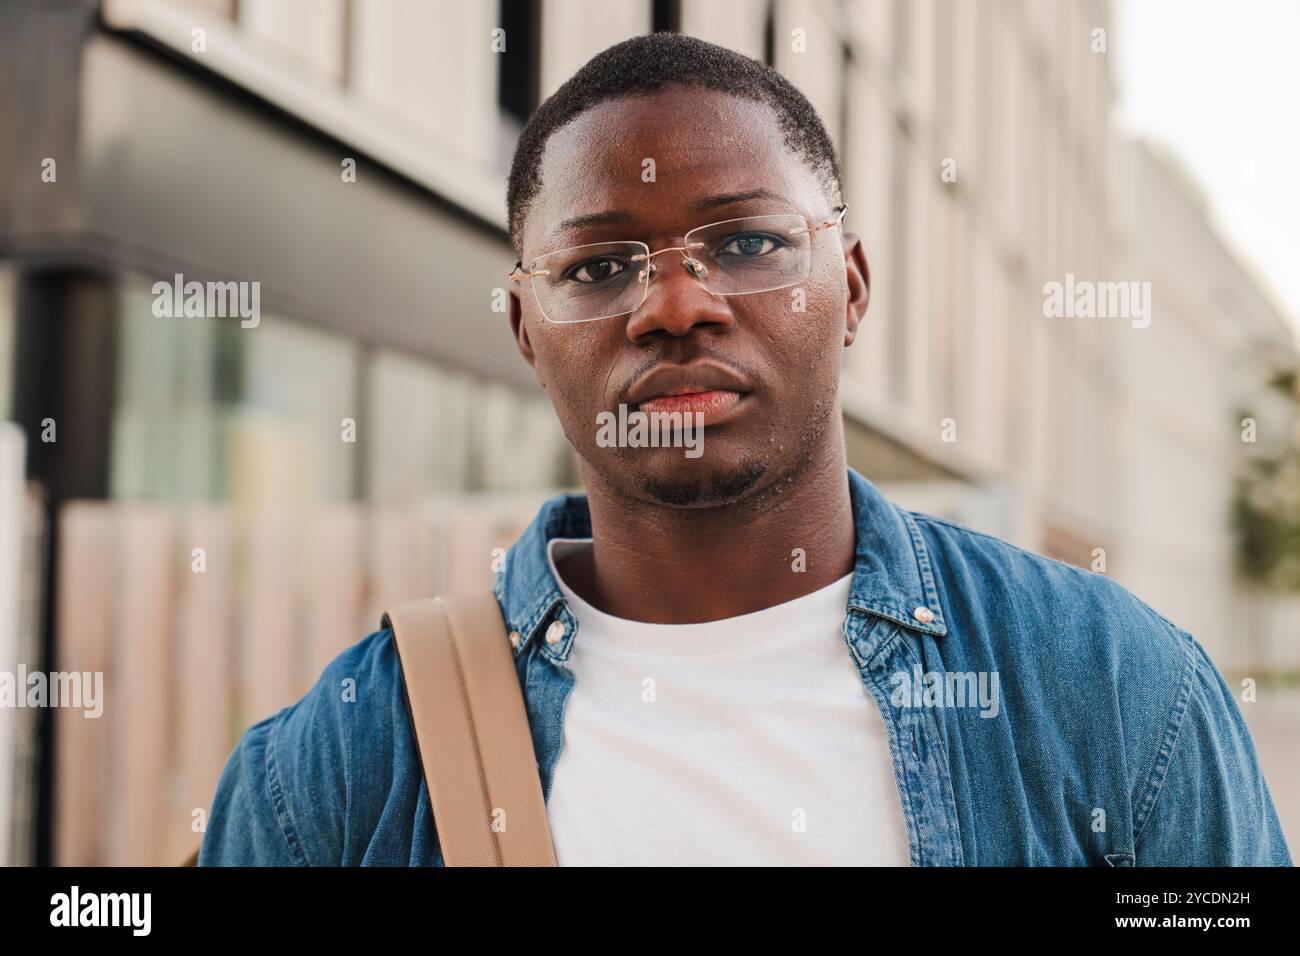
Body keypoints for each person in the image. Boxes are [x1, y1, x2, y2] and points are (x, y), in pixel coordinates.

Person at [199, 32, 1291, 866]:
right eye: (597, 266)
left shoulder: (1112, 690)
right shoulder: (341, 767)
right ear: (527, 332)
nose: (674, 302)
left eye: (749, 242)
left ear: (849, 288)